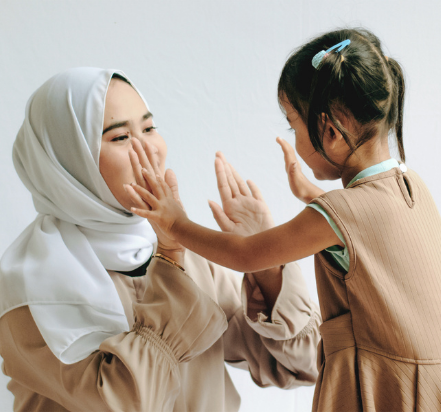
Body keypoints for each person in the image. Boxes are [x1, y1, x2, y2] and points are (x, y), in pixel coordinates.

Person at [129, 28, 441, 411]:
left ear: (330, 132)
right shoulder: (412, 186)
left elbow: (246, 254)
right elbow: (373, 225)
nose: (294, 139)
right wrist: (312, 193)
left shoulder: (338, 214)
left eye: (294, 126)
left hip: (380, 387)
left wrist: (175, 224)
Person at [0, 67, 321, 412]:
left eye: (150, 128)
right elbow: (125, 402)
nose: (151, 151)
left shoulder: (187, 252)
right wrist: (170, 258)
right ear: (66, 161)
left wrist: (264, 259)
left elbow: (303, 365)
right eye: (120, 137)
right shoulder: (29, 291)